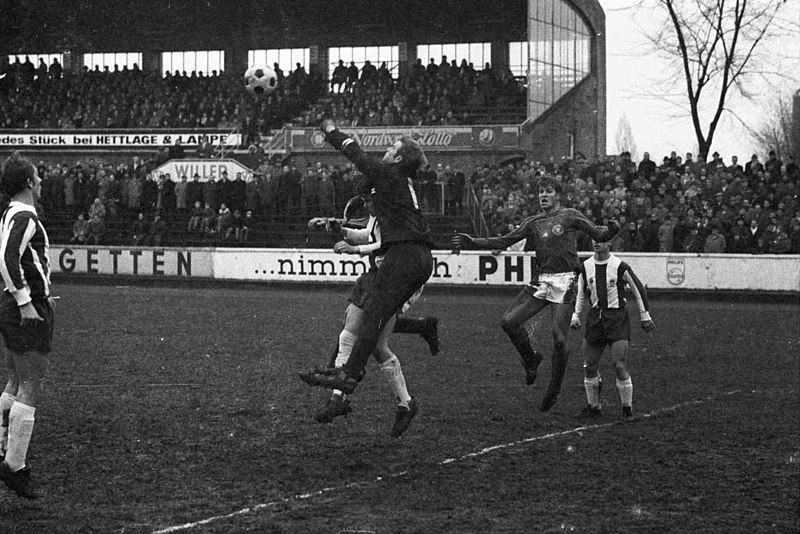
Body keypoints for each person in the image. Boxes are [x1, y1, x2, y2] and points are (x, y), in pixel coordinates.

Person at [298, 119, 434, 421]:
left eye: (391, 149)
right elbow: (372, 230)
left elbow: (354, 152)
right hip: (417, 256)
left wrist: (331, 130)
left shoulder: (389, 175)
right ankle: (346, 380)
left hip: (405, 255)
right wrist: (340, 227)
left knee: (373, 320)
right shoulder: (399, 187)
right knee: (373, 318)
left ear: (398, 159)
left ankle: (348, 378)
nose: (386, 152)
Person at [451, 176, 619, 412]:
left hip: (566, 280)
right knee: (509, 322)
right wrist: (473, 241)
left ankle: (553, 389)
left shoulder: (570, 215)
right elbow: (506, 240)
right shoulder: (533, 222)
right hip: (541, 281)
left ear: (557, 195)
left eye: (548, 191)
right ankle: (531, 360)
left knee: (559, 340)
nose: (543, 195)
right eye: (541, 191)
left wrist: (612, 230)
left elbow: (597, 234)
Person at [302, 194, 438, 436]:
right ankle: (338, 398)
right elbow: (368, 235)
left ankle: (406, 402)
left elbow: (381, 244)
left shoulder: (395, 219)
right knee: (349, 330)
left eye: (369, 201)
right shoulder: (378, 217)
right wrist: (340, 229)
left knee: (376, 343)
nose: (365, 205)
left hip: (398, 279)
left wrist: (354, 248)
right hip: (375, 276)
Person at [0, 152, 55, 499]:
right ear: (27, 183)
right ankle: (15, 466)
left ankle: (4, 451)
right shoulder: (25, 216)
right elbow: (7, 258)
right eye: (36, 176)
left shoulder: (9, 213)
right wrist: (26, 301)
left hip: (13, 304)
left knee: (15, 379)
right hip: (26, 309)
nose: (40, 180)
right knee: (30, 382)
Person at [570, 238, 655, 419]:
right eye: (594, 240)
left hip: (617, 319)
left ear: (609, 244)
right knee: (589, 365)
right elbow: (580, 292)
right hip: (595, 319)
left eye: (602, 241)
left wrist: (644, 315)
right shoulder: (585, 266)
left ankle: (627, 408)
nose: (597, 243)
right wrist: (575, 315)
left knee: (618, 364)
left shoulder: (619, 266)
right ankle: (593, 407)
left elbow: (638, 289)